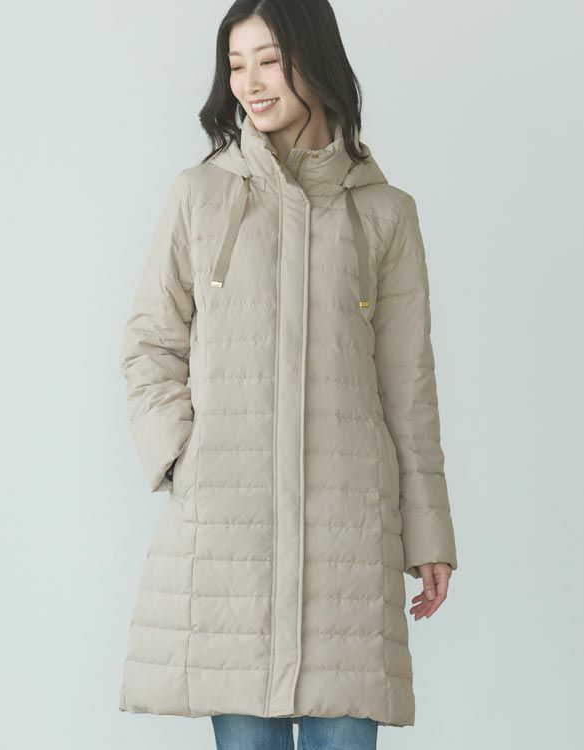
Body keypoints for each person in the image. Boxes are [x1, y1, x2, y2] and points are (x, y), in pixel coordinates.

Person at [117, 1, 459, 748]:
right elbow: (150, 343)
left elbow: (408, 385)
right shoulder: (201, 196)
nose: (250, 83)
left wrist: (428, 530)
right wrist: (184, 458)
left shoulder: (385, 214)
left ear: (315, 59)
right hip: (230, 538)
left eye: (269, 60)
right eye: (236, 65)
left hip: (348, 538)